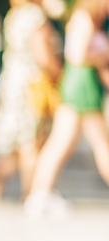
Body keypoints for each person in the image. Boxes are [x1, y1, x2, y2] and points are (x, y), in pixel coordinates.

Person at [25, 0, 109, 217]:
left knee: (62, 143)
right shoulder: (84, 18)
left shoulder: (85, 18)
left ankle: (38, 196)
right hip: (82, 86)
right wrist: (103, 56)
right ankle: (37, 196)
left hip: (79, 85)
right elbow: (76, 55)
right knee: (102, 145)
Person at [0, 0, 63, 199]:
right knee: (32, 143)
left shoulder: (15, 14)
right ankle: (31, 195)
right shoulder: (35, 16)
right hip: (31, 86)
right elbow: (43, 56)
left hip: (13, 83)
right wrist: (60, 77)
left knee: (23, 142)